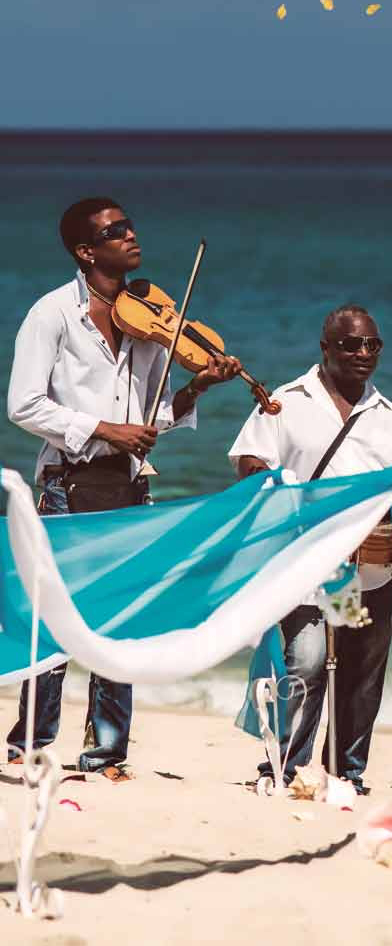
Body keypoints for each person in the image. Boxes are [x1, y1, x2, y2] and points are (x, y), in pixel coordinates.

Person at [5, 197, 241, 780]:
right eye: (115, 231)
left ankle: (107, 752)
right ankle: (29, 743)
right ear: (86, 251)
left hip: (130, 486)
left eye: (129, 225)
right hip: (67, 482)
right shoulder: (53, 315)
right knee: (54, 621)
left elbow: (153, 416)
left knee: (122, 620)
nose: (130, 235)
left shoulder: (145, 318)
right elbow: (22, 404)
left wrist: (198, 388)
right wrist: (101, 428)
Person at [230, 304, 392, 795]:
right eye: (350, 344)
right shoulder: (286, 402)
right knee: (306, 658)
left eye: (372, 344)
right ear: (325, 348)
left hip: (372, 569)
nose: (363, 353)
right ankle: (284, 766)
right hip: (305, 562)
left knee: (362, 674)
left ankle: (346, 772)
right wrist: (279, 487)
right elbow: (248, 459)